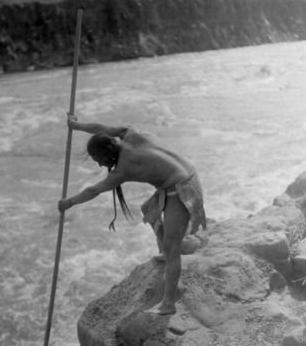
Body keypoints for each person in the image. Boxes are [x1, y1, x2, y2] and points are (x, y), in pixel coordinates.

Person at [58, 114, 207, 315]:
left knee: (174, 249)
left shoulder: (122, 170)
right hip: (187, 172)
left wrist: (68, 202)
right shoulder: (128, 133)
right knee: (148, 210)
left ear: (106, 154)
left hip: (181, 190)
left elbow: (92, 191)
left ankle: (169, 304)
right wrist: (76, 125)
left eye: (98, 160)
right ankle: (164, 251)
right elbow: (99, 126)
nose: (100, 165)